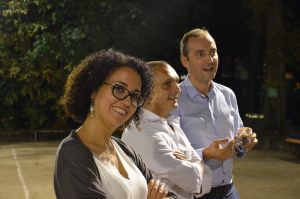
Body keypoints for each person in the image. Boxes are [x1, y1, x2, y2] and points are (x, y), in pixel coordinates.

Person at [54, 49, 177, 199]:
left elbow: (170, 196)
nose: (127, 101)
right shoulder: (72, 153)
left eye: (135, 95)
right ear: (93, 89)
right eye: (119, 88)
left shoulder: (125, 150)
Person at [170, 29, 258, 199]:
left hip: (230, 191)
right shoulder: (174, 99)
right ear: (185, 60)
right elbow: (169, 153)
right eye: (200, 54)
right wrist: (206, 154)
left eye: (213, 52)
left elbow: (237, 138)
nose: (210, 60)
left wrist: (242, 144)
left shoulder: (228, 95)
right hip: (194, 194)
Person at [122, 61, 212, 199]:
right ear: (146, 92)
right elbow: (194, 182)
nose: (178, 89)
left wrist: (193, 166)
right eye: (167, 84)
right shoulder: (141, 132)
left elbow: (204, 184)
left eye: (177, 82)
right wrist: (198, 166)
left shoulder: (170, 122)